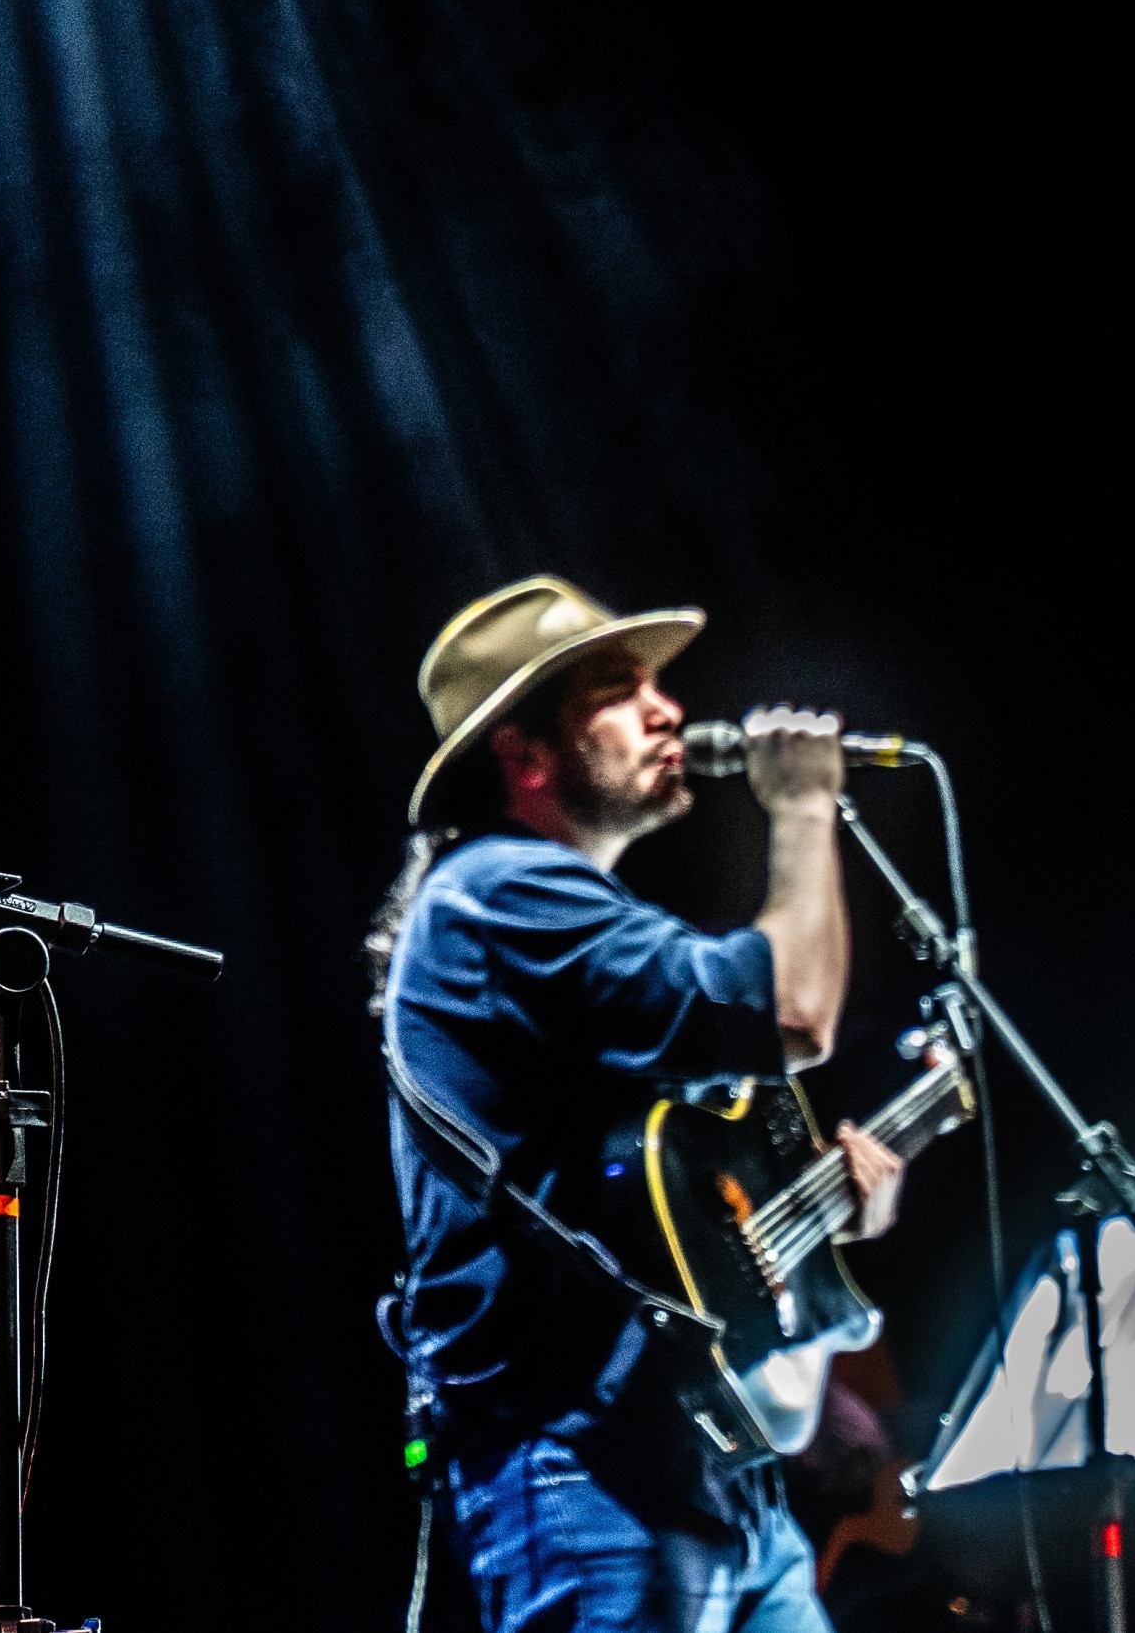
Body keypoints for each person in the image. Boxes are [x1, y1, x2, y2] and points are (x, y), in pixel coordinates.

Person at [380, 576, 906, 1633]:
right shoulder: (499, 895)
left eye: (656, 686)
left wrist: (829, 1216)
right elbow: (794, 1012)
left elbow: (653, 1200)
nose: (667, 710)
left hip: (707, 1467)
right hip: (585, 1474)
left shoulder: (573, 913)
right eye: (618, 694)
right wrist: (804, 807)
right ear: (526, 756)